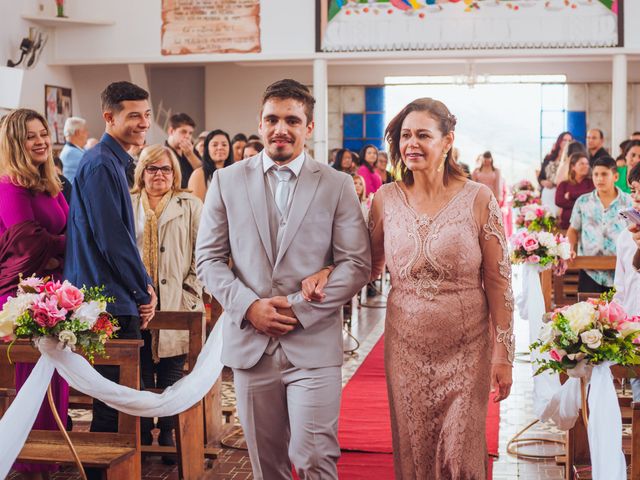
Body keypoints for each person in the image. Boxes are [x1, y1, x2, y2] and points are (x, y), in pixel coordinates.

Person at [304, 97, 514, 479]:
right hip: (406, 346)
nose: (411, 144)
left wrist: (503, 354)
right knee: (415, 446)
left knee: (461, 450)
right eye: (405, 136)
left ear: (447, 141)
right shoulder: (386, 198)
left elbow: (499, 281)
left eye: (423, 135)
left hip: (468, 345)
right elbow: (366, 263)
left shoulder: (478, 199)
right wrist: (326, 272)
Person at [195, 79, 371, 480]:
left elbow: (356, 263)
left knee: (314, 458)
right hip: (251, 347)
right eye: (272, 119)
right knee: (267, 466)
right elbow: (207, 259)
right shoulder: (226, 181)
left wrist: (300, 308)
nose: (281, 128)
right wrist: (249, 307)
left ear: (309, 127)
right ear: (259, 123)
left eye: (292, 119)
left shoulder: (336, 184)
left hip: (312, 344)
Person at [64, 82, 157, 462]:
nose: (143, 123)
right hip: (108, 301)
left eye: (147, 115)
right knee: (111, 402)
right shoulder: (102, 163)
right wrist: (142, 289)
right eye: (133, 115)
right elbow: (113, 240)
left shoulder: (113, 160)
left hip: (111, 296)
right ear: (109, 117)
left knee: (116, 399)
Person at [0, 108, 70, 479]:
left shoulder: (49, 184)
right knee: (31, 376)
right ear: (15, 142)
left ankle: (50, 457)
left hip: (52, 296)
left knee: (55, 375)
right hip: (18, 298)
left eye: (43, 132)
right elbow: (28, 244)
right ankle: (27, 460)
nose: (41, 140)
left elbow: (62, 236)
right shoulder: (8, 186)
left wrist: (59, 247)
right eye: (31, 136)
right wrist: (65, 245)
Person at [130, 144, 204, 454]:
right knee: (141, 370)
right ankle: (145, 432)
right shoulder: (129, 202)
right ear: (141, 173)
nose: (159, 174)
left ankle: (171, 433)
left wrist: (191, 288)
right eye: (152, 168)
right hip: (137, 303)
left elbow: (204, 252)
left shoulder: (190, 204)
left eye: (165, 169)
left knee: (174, 372)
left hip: (177, 300)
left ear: (174, 173)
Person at [567, 156, 633, 293]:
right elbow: (573, 229)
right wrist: (570, 248)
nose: (599, 179)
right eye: (595, 174)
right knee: (588, 312)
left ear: (615, 176)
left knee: (619, 312)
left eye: (604, 174)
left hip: (620, 270)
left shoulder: (629, 203)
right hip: (589, 271)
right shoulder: (582, 202)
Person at [614, 163, 640, 400]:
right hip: (635, 325)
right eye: (633, 190)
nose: (637, 197)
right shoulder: (625, 237)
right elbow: (620, 287)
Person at [188, 129, 233, 202]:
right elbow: (196, 209)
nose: (220, 148)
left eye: (224, 145)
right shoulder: (199, 174)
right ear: (207, 149)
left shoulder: (233, 173)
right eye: (215, 145)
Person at [554, 153, 594, 230]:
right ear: (573, 167)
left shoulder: (591, 183)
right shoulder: (564, 184)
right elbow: (558, 201)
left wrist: (571, 195)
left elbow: (591, 195)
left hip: (587, 227)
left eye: (587, 164)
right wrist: (581, 203)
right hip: (566, 226)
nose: (586, 166)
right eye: (582, 164)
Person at [539, 131, 572, 212]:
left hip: (562, 193)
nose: (567, 142)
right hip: (548, 192)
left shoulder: (572, 158)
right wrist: (543, 182)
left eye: (569, 140)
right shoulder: (549, 157)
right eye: (564, 140)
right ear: (559, 141)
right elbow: (541, 176)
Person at [165, 113, 201, 188]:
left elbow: (204, 174)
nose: (187, 136)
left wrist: (190, 155)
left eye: (190, 133)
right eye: (183, 132)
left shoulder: (192, 150)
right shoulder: (163, 153)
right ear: (171, 131)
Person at [59, 116, 88, 184]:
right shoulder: (71, 153)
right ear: (78, 132)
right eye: (85, 131)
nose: (87, 134)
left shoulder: (75, 150)